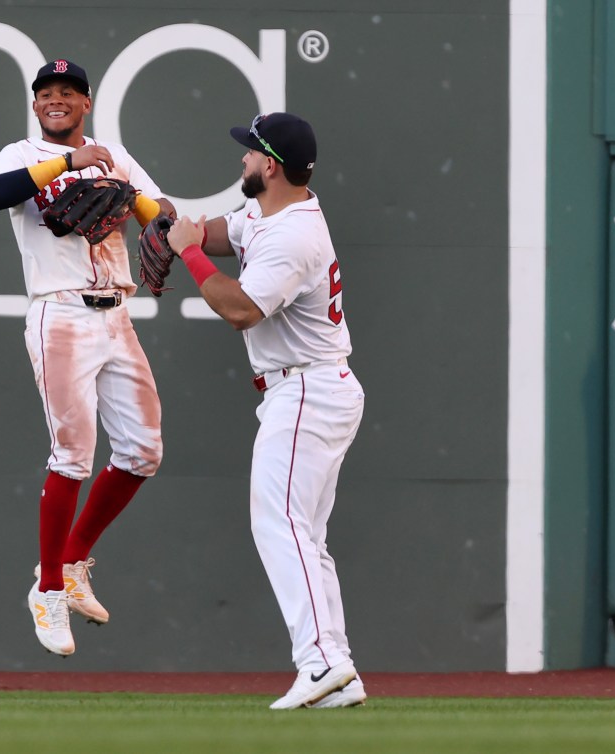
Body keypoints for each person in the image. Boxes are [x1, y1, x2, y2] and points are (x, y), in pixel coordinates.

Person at [0, 59, 175, 656]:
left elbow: (158, 214)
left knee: (143, 451)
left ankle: (72, 561)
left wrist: (135, 202)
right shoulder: (19, 153)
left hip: (116, 313)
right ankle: (49, 590)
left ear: (85, 103)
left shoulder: (114, 153)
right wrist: (65, 164)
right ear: (35, 105)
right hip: (59, 312)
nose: (55, 100)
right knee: (73, 457)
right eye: (45, 93)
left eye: (67, 92)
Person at [165, 112, 366, 709]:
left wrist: (190, 258)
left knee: (277, 523)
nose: (242, 160)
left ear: (270, 166)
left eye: (250, 153)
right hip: (311, 388)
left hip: (307, 390)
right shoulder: (272, 211)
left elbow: (241, 310)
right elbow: (215, 231)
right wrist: (163, 220)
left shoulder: (291, 236)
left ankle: (321, 662)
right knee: (306, 535)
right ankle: (339, 671)